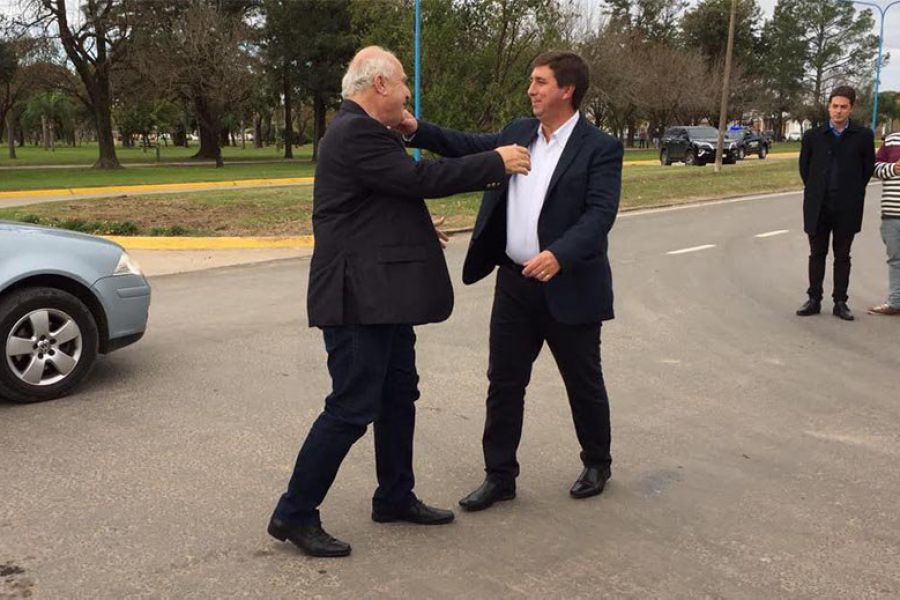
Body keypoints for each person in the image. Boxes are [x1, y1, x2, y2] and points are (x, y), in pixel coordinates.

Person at [268, 46, 531, 558]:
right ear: (381, 85)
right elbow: (417, 180)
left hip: (381, 296)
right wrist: (495, 162)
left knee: (397, 395)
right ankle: (294, 512)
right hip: (356, 300)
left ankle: (394, 495)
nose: (409, 92)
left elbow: (380, 201)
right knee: (350, 407)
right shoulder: (356, 132)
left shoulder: (370, 134)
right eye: (404, 82)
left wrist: (414, 227)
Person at [397, 51, 623, 511]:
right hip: (516, 283)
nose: (531, 90)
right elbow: (467, 145)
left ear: (567, 90)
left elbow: (600, 214)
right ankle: (499, 475)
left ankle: (597, 461)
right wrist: (416, 129)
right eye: (531, 81)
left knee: (583, 381)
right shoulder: (519, 133)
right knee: (504, 382)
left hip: (569, 285)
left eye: (540, 82)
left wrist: (559, 255)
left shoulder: (599, 147)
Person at [796, 86, 875, 321]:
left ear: (851, 108)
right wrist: (817, 189)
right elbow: (805, 168)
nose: (838, 111)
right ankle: (814, 299)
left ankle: (840, 301)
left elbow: (866, 170)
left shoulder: (862, 137)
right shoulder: (813, 136)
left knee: (843, 255)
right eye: (835, 106)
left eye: (843, 107)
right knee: (816, 253)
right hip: (818, 205)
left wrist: (851, 191)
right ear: (828, 106)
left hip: (847, 207)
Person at [869, 130, 900, 315]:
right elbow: (872, 167)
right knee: (895, 260)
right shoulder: (892, 140)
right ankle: (896, 302)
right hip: (891, 213)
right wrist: (892, 169)